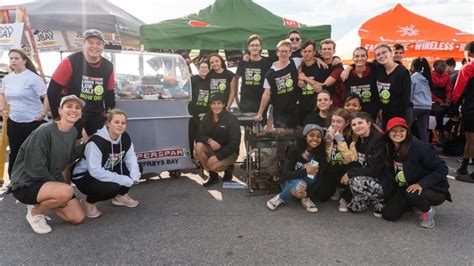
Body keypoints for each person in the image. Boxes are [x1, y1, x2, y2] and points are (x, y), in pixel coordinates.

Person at [8, 95, 86, 234]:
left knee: (77, 217)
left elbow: (67, 158)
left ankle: (46, 200)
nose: (74, 110)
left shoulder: (73, 132)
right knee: (66, 192)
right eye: (69, 106)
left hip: (48, 181)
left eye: (77, 108)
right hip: (27, 183)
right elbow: (34, 167)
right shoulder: (44, 130)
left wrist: (89, 144)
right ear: (60, 111)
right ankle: (35, 213)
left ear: (80, 114)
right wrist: (58, 188)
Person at [376, 117, 451, 228]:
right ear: (388, 133)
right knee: (389, 215)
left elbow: (442, 169)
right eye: (393, 131)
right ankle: (413, 204)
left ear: (407, 131)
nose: (398, 134)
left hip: (432, 189)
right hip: (405, 187)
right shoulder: (388, 146)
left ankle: (427, 212)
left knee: (412, 194)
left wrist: (421, 184)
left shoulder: (421, 148)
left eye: (402, 130)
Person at [48, 29, 115, 141]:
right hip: (73, 113)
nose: (95, 46)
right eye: (90, 42)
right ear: (83, 44)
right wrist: (58, 117)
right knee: (73, 147)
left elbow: (109, 94)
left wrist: (110, 115)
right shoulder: (70, 62)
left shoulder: (108, 66)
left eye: (99, 43)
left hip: (96, 114)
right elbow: (52, 91)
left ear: (103, 47)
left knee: (96, 146)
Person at [72, 109, 140, 218]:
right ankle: (88, 203)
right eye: (116, 122)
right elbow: (95, 171)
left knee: (137, 168)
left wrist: (134, 174)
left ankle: (120, 196)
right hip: (84, 175)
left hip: (107, 168)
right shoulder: (96, 142)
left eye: (123, 123)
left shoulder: (125, 137)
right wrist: (123, 179)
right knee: (111, 188)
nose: (120, 125)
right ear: (108, 123)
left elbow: (130, 157)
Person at [0, 48, 48, 176]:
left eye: (16, 58)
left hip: (32, 121)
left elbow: (46, 96)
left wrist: (43, 114)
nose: (13, 61)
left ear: (24, 60)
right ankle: (14, 180)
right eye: (11, 58)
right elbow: (2, 94)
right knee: (15, 151)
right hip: (14, 121)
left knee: (32, 153)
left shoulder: (32, 78)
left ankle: (33, 180)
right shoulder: (7, 79)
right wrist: (2, 109)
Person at [266, 124, 327, 213]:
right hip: (289, 182)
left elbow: (319, 178)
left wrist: (307, 194)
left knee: (313, 176)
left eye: (318, 136)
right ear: (305, 136)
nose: (315, 139)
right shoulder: (294, 149)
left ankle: (305, 198)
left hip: (306, 184)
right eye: (311, 135)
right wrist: (306, 171)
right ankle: (280, 198)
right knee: (300, 183)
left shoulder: (320, 154)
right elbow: (285, 175)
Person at [340, 112, 384, 216]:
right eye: (354, 125)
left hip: (381, 180)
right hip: (367, 175)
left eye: (360, 123)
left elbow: (375, 170)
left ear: (369, 123)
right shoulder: (357, 139)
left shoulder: (378, 141)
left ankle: (380, 200)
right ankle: (361, 198)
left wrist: (349, 173)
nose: (357, 126)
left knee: (355, 179)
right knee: (346, 164)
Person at [309, 108, 356, 206]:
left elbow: (349, 159)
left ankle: (344, 193)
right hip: (329, 169)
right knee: (321, 197)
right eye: (333, 121)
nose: (335, 124)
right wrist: (328, 139)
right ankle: (335, 187)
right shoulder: (328, 133)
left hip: (343, 170)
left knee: (352, 167)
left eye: (339, 122)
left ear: (347, 123)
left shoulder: (351, 137)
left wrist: (340, 140)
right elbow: (323, 154)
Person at [254, 39, 301, 130]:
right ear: (277, 53)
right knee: (281, 138)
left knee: (295, 138)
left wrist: (317, 59)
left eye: (286, 51)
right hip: (280, 112)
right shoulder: (270, 74)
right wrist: (260, 113)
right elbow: (266, 94)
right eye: (281, 51)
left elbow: (307, 59)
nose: (284, 54)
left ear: (290, 53)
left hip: (294, 109)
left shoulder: (295, 62)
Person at [195, 93, 241, 187]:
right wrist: (209, 141)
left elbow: (234, 144)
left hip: (230, 152)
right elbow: (199, 135)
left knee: (214, 166)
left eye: (219, 103)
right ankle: (213, 176)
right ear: (210, 105)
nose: (216, 106)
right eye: (213, 103)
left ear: (223, 104)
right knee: (198, 147)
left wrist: (218, 156)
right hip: (213, 150)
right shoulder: (207, 117)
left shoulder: (232, 119)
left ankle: (228, 167)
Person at [373, 44, 411, 128]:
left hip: (400, 113)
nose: (381, 56)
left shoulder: (402, 72)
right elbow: (362, 63)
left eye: (384, 52)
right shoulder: (378, 69)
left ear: (391, 53)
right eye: (378, 54)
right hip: (384, 114)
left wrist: (399, 118)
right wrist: (349, 67)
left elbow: (405, 98)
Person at [452, 41, 474, 182]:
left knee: (471, 139)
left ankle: (470, 171)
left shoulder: (467, 68)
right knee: (470, 139)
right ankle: (464, 167)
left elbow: (458, 91)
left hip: (471, 109)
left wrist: (454, 108)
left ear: (469, 53)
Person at [235, 34, 270, 113]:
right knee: (246, 125)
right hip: (245, 103)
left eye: (257, 45)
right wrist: (236, 97)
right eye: (252, 45)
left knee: (261, 125)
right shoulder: (243, 62)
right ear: (248, 47)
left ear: (260, 47)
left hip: (262, 103)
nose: (254, 47)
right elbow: (235, 79)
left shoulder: (267, 63)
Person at [342, 47, 380, 120]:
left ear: (367, 57)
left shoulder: (375, 70)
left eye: (363, 56)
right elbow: (344, 94)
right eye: (357, 56)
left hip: (372, 114)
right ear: (353, 58)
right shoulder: (346, 75)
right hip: (353, 115)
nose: (360, 58)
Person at [188, 60, 211, 159]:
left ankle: (200, 158)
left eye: (206, 67)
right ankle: (190, 158)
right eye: (202, 67)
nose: (204, 69)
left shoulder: (211, 81)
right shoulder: (193, 79)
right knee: (190, 136)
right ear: (198, 69)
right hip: (192, 113)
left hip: (205, 114)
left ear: (209, 69)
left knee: (201, 138)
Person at [409, 57, 433, 142]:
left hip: (416, 105)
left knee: (406, 127)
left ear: (413, 67)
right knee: (423, 131)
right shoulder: (428, 78)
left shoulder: (413, 78)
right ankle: (426, 149)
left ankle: (407, 147)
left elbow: (410, 93)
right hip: (427, 106)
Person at [431, 60, 452, 134]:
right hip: (433, 100)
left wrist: (447, 101)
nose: (444, 67)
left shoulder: (447, 76)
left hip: (444, 99)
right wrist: (439, 102)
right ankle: (439, 129)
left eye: (445, 66)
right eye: (442, 65)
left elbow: (449, 90)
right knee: (440, 110)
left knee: (454, 110)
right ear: (435, 67)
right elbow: (429, 92)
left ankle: (447, 129)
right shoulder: (430, 76)